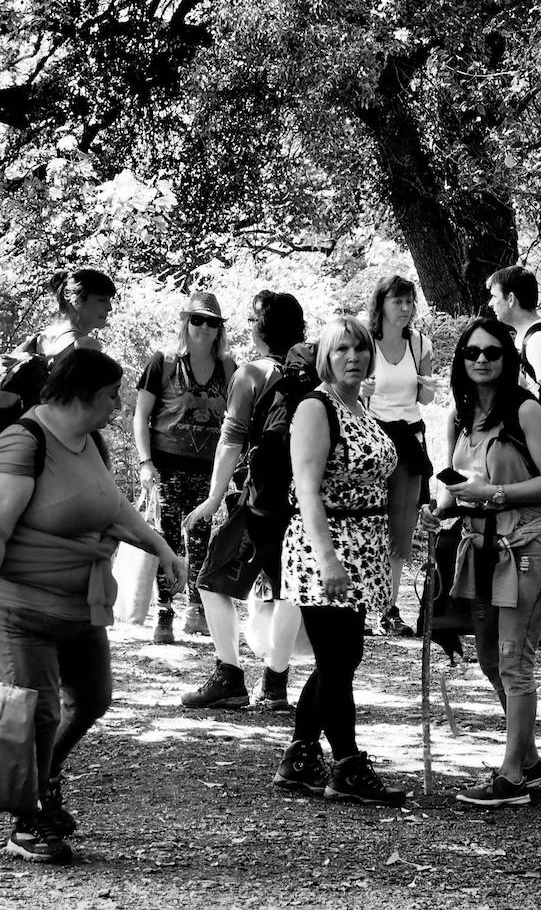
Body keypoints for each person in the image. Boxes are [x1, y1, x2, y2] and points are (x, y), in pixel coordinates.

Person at [0, 348, 188, 864]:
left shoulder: (91, 442)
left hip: (79, 606)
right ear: (85, 393)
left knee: (91, 697)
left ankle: (44, 778)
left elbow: (113, 508)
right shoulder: (22, 443)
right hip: (17, 606)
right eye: (112, 395)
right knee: (34, 711)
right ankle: (28, 820)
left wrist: (161, 546)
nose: (118, 404)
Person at [272, 315, 406, 805]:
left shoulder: (359, 407)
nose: (353, 357)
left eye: (361, 348)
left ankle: (301, 756)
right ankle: (346, 764)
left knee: (342, 658)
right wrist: (328, 559)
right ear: (325, 357)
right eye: (341, 350)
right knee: (338, 657)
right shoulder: (316, 407)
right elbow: (306, 487)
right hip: (324, 546)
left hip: (363, 544)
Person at [436, 317, 541, 808]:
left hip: (527, 549)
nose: (482, 361)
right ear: (461, 361)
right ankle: (530, 762)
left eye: (492, 353)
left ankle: (511, 777)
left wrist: (493, 494)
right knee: (492, 660)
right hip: (483, 550)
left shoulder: (526, 411)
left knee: (515, 663)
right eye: (472, 353)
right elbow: (456, 489)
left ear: (508, 359)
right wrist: (439, 509)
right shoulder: (461, 414)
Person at [179, 290, 307, 711]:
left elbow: (230, 441)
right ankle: (275, 683)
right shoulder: (314, 374)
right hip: (303, 502)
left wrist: (214, 498)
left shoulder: (251, 374)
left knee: (211, 580)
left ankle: (229, 675)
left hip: (259, 499)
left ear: (259, 328)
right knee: (287, 588)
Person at [132, 292, 235, 644]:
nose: (204, 327)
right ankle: (164, 612)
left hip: (208, 467)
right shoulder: (163, 361)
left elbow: (236, 422)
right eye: (197, 319)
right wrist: (146, 463)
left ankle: (197, 608)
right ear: (185, 322)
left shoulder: (229, 367)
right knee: (166, 539)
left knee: (203, 539)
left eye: (212, 322)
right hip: (167, 464)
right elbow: (141, 416)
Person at [487, 265, 541, 647]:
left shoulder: (538, 341)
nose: (491, 304)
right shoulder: (531, 337)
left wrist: (540, 449)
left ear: (511, 298)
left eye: (494, 296)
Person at [362, 274, 435, 638]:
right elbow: (347, 394)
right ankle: (361, 605)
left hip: (409, 439)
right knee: (367, 523)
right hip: (373, 439)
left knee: (400, 529)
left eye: (409, 302)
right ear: (382, 305)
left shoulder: (420, 344)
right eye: (397, 302)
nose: (405, 309)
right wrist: (362, 389)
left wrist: (428, 385)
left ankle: (388, 609)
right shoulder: (363, 343)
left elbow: (424, 400)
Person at [37, 268, 116, 357]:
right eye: (101, 300)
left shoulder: (42, 339)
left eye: (109, 301)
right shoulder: (85, 345)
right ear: (76, 300)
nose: (110, 308)